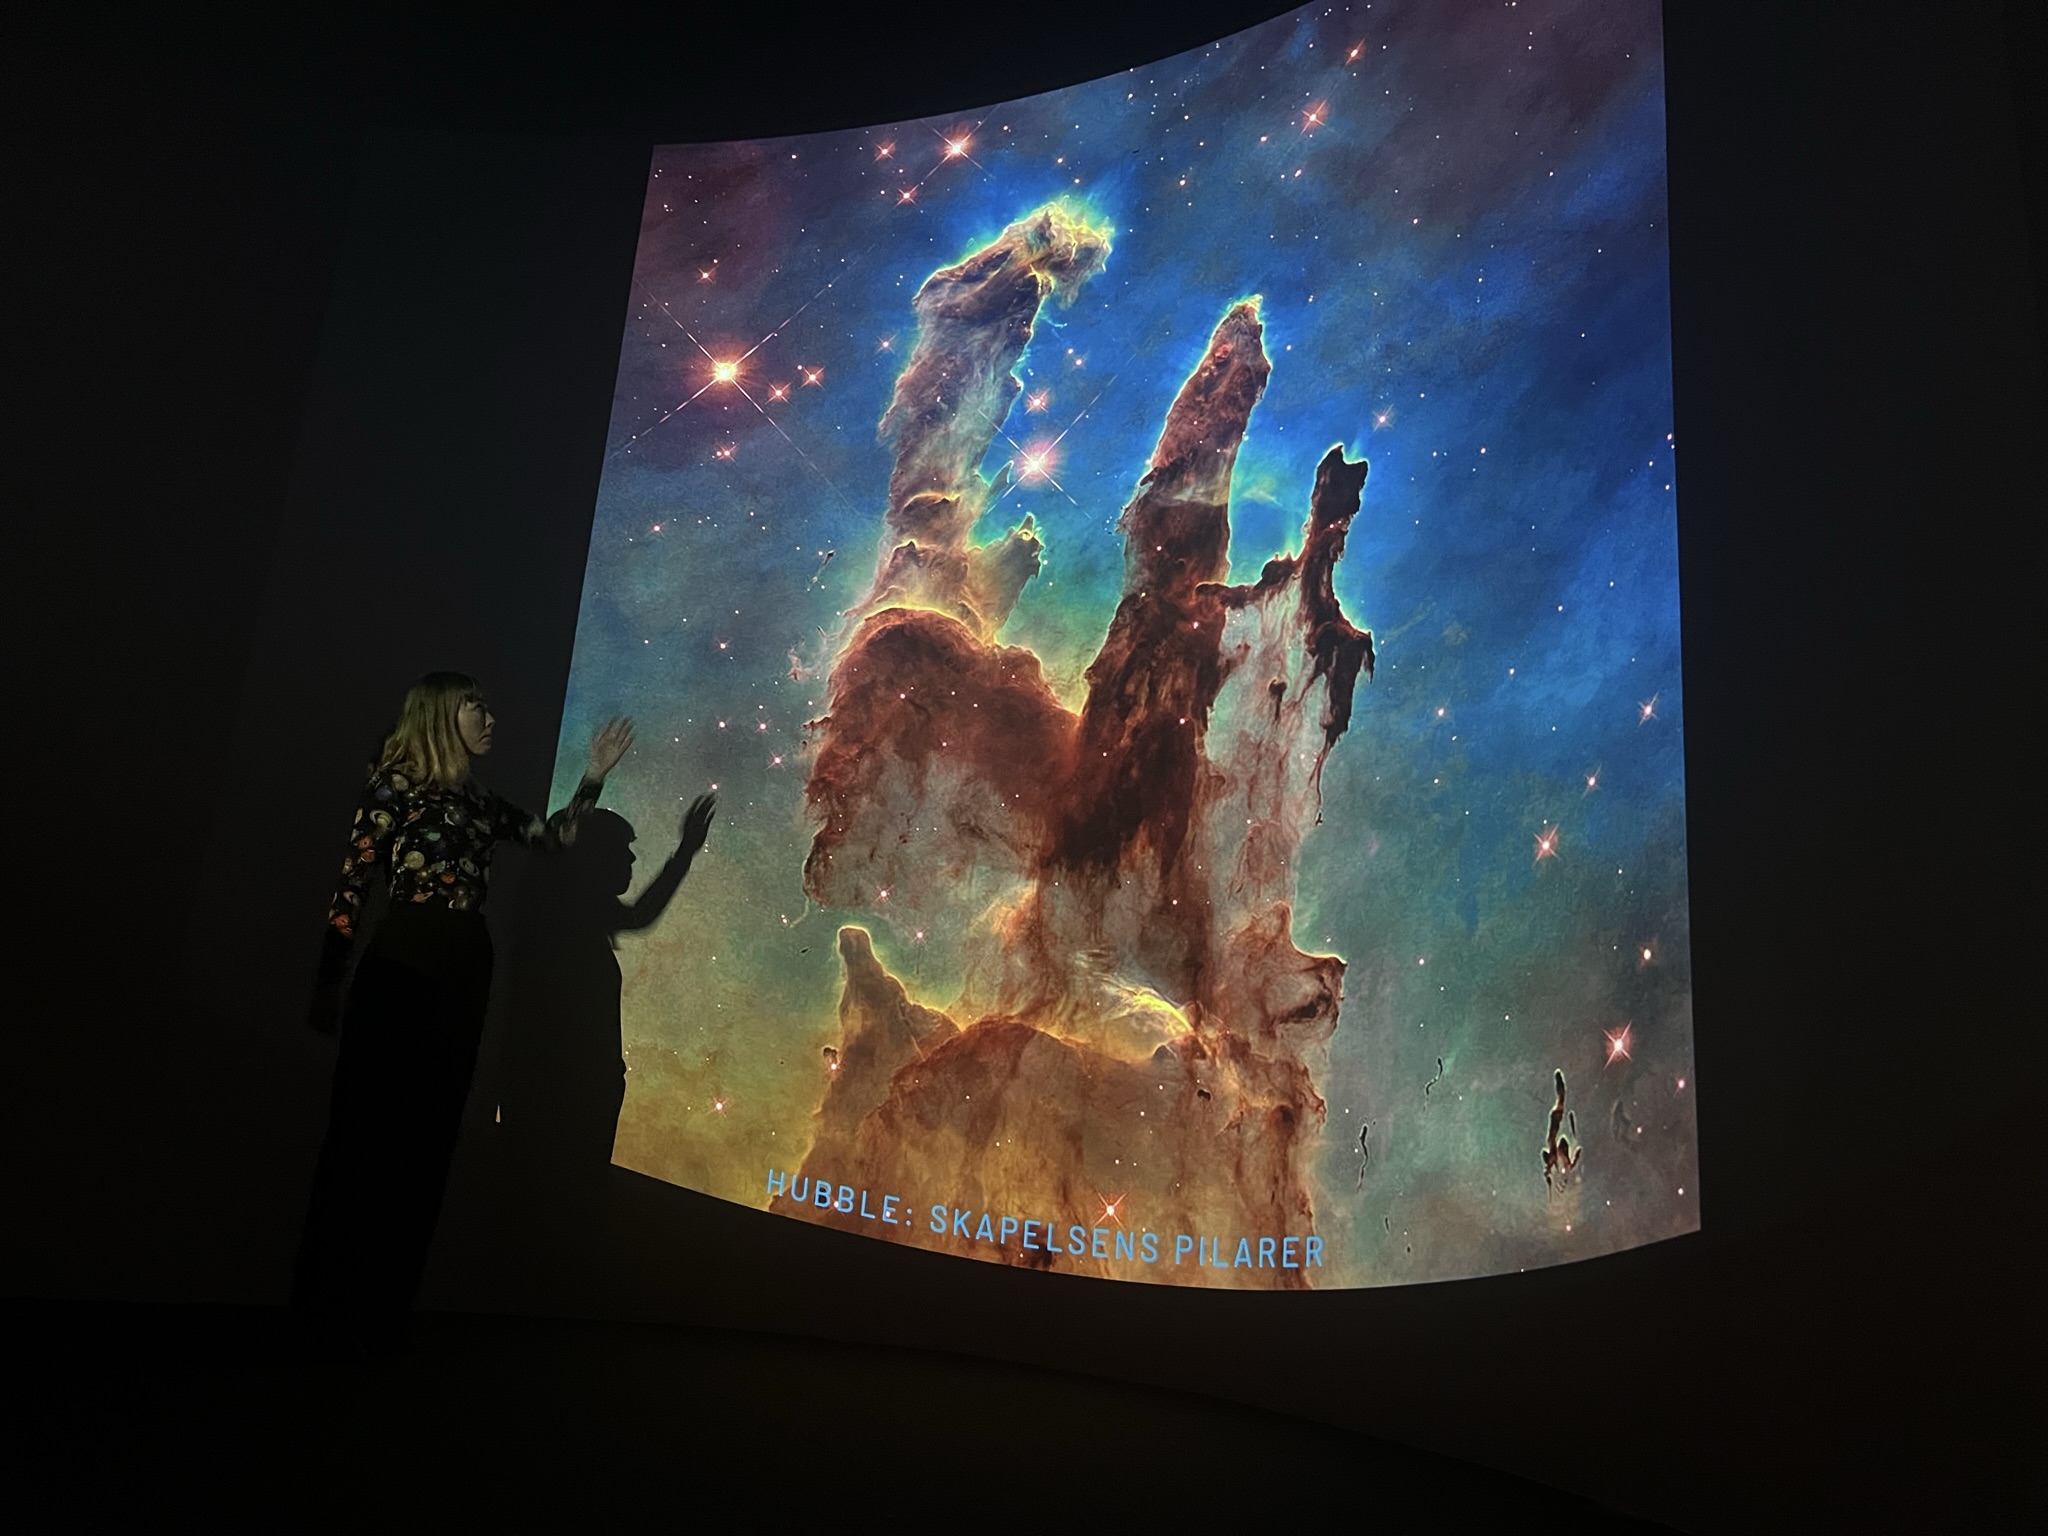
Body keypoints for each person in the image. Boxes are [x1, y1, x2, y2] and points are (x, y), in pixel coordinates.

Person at [291, 671, 634, 1346]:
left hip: (462, 974)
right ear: (442, 715)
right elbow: (352, 886)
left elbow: (553, 839)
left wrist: (593, 775)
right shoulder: (395, 786)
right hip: (402, 968)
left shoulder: (479, 802)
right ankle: (320, 1307)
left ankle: (383, 1313)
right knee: (362, 1138)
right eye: (477, 705)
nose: (491, 716)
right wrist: (329, 984)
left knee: (430, 1144)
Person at [496, 794, 716, 1186]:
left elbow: (639, 914)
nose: (631, 861)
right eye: (621, 850)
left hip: (577, 1089)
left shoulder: (571, 916)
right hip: (561, 1092)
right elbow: (638, 914)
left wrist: (685, 851)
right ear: (590, 855)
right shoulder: (560, 916)